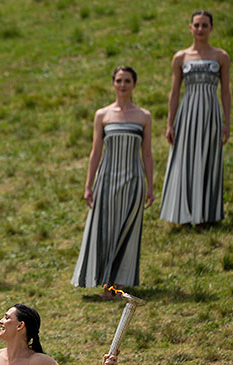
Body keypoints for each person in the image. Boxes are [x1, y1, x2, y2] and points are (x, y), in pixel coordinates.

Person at [71, 66, 154, 298]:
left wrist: (151, 186)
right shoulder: (103, 115)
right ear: (113, 84)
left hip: (133, 180)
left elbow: (147, 154)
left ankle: (117, 282)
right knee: (104, 231)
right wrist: (88, 185)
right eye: (119, 80)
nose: (123, 84)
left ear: (134, 84)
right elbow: (95, 152)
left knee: (127, 230)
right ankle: (106, 282)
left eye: (127, 80)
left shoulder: (143, 116)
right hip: (106, 180)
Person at [159, 11, 230, 225]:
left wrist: (227, 122)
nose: (200, 29)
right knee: (185, 160)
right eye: (197, 25)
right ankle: (184, 213)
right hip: (188, 114)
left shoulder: (221, 57)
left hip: (210, 113)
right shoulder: (181, 57)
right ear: (190, 27)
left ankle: (206, 214)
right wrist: (169, 123)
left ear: (211, 28)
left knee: (209, 159)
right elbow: (174, 92)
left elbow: (226, 91)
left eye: (204, 25)